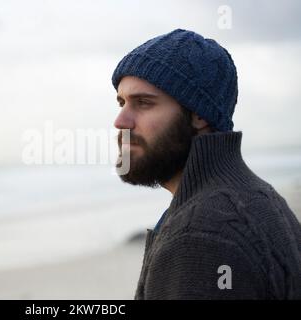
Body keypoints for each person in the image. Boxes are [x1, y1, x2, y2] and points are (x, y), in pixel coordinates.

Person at [112, 28, 301, 299]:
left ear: (199, 115)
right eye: (121, 102)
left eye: (143, 103)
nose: (121, 121)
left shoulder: (201, 235)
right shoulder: (258, 197)